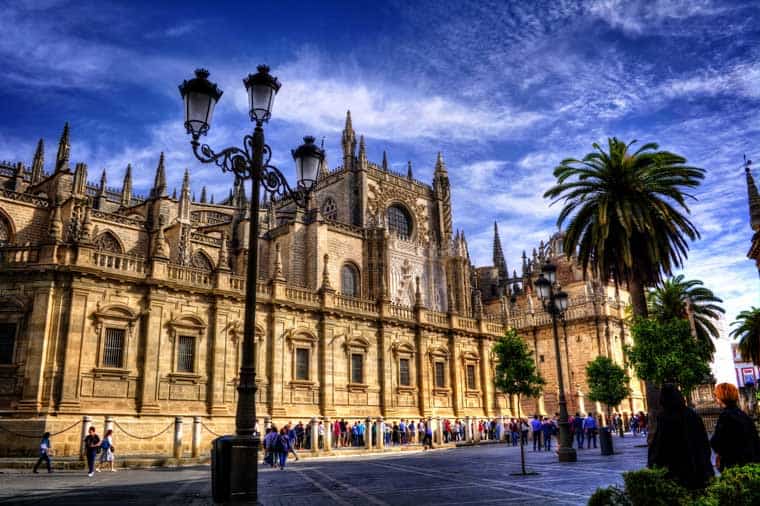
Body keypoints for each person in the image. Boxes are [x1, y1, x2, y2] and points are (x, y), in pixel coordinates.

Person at [648, 383, 713, 490]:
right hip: (697, 468)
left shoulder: (664, 417)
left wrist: (653, 464)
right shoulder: (692, 415)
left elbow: (660, 445)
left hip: (675, 471)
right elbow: (704, 443)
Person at [710, 382, 760, 472]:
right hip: (751, 461)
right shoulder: (743, 414)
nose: (716, 399)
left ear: (721, 397)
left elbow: (717, 442)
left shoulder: (725, 416)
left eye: (716, 396)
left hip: (735, 464)